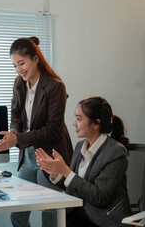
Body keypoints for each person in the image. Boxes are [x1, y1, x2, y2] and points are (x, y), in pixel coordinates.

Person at [0, 37, 73, 227]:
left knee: (50, 213)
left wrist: (17, 138)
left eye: (22, 63)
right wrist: (13, 134)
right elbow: (16, 118)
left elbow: (53, 129)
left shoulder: (55, 86)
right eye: (14, 65)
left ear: (36, 59)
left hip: (48, 155)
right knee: (18, 214)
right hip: (27, 155)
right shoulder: (19, 84)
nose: (19, 69)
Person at [35, 96, 131, 227]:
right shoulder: (80, 146)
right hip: (80, 212)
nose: (74, 123)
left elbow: (99, 197)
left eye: (79, 119)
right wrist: (56, 174)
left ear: (96, 124)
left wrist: (65, 171)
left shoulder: (115, 152)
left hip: (102, 218)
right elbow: (76, 187)